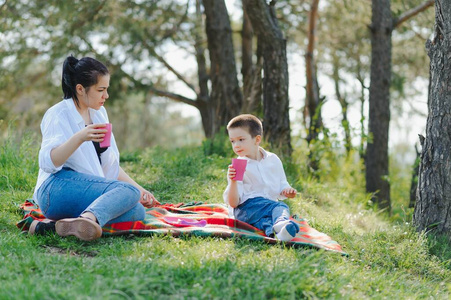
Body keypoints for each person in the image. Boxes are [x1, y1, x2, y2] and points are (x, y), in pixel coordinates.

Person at [29, 55, 160, 241]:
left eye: (106, 89)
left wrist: (141, 190)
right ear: (80, 89)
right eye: (101, 90)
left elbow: (109, 166)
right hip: (54, 189)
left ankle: (54, 227)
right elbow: (49, 162)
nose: (106, 96)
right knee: (128, 192)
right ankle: (88, 218)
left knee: (137, 210)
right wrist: (81, 137)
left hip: (85, 189)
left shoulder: (99, 114)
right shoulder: (58, 114)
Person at [223, 114, 299, 242]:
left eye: (241, 139)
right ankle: (282, 222)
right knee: (280, 207)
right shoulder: (238, 166)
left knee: (267, 220)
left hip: (262, 211)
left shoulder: (273, 160)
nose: (236, 145)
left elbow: (281, 183)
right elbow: (233, 203)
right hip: (245, 210)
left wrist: (287, 190)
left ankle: (277, 234)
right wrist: (233, 181)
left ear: (257, 139)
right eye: (232, 141)